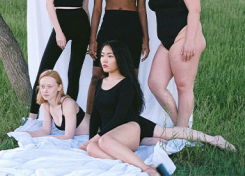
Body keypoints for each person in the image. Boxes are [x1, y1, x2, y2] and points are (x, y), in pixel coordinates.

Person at [79, 40, 235, 176]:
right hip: (116, 135)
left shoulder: (126, 84)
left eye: (110, 56)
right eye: (102, 55)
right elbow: (96, 115)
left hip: (131, 127)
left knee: (170, 133)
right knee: (92, 148)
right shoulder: (100, 84)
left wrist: (97, 137)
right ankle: (129, 161)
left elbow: (120, 117)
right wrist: (90, 140)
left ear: (119, 58)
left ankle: (150, 168)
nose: (104, 60)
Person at [136, 0, 207, 127]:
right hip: (167, 42)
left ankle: (182, 129)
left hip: (185, 36)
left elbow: (195, 10)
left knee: (184, 86)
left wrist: (190, 41)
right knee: (155, 83)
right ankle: (180, 127)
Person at [86, 0, 150, 114]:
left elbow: (141, 7)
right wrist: (93, 38)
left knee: (131, 77)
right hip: (109, 26)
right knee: (97, 75)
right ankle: (90, 120)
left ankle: (130, 120)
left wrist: (146, 38)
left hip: (132, 28)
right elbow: (97, 8)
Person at [29, 0, 92, 119]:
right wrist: (58, 31)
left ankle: (69, 116)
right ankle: (33, 116)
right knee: (45, 68)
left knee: (74, 73)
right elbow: (49, 4)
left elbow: (86, 8)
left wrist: (90, 37)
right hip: (62, 22)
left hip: (81, 24)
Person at [27, 70, 90, 139]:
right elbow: (45, 130)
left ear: (59, 87)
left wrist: (44, 138)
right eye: (42, 86)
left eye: (50, 86)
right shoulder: (46, 104)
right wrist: (27, 134)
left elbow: (68, 136)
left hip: (100, 130)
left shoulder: (68, 104)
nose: (45, 90)